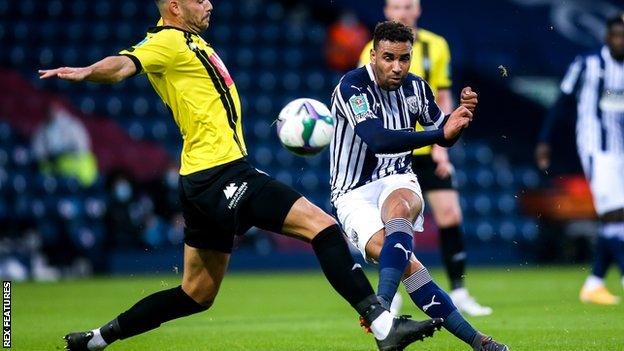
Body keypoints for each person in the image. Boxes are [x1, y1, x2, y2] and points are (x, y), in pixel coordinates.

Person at [39, 1, 444, 350]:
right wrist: (89, 70)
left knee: (196, 295)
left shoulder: (193, 42)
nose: (209, 4)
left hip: (202, 180)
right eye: (199, 0)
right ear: (175, 8)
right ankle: (383, 324)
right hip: (221, 174)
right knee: (323, 228)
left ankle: (96, 339)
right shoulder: (164, 41)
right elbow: (123, 65)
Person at [331, 21, 508, 351]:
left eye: (404, 58)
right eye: (388, 58)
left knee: (400, 204)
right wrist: (440, 134)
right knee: (407, 264)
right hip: (352, 192)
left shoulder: (417, 88)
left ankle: (380, 305)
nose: (397, 67)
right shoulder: (352, 87)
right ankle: (477, 340)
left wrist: (458, 122)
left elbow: (444, 132)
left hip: (398, 178)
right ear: (372, 56)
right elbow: (377, 139)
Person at [358, 0, 492, 317]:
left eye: (408, 6)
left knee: (450, 214)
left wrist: (442, 146)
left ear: (418, 10)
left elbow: (443, 94)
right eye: (396, 6)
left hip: (428, 147)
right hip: (390, 153)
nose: (402, 12)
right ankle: (393, 290)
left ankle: (459, 291)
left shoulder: (437, 46)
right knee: (389, 227)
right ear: (386, 12)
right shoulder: (370, 50)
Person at [536, 14, 624, 305]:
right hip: (595, 147)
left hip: (620, 147)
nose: (620, 42)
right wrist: (544, 140)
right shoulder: (587, 65)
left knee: (617, 218)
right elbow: (561, 102)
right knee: (613, 212)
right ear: (607, 37)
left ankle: (594, 282)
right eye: (616, 36)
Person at [31, 102, 98, 187]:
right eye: (50, 111)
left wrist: (67, 152)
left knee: (87, 163)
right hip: (54, 165)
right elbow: (38, 152)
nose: (52, 113)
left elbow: (83, 146)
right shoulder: (41, 130)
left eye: (55, 110)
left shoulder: (73, 125)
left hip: (74, 162)